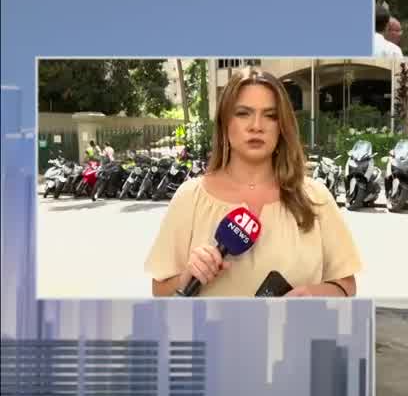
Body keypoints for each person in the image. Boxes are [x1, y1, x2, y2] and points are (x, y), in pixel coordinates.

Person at [144, 67, 362, 298]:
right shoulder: (190, 198)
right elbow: (160, 292)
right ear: (225, 123)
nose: (256, 125)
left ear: (282, 126)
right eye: (243, 113)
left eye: (270, 115)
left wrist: (312, 296)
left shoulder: (315, 197)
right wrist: (188, 276)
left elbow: (346, 286)